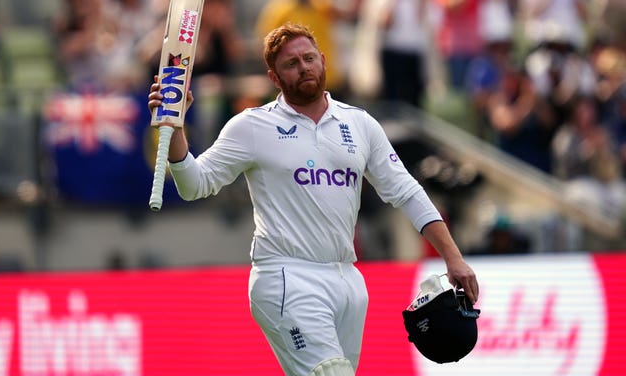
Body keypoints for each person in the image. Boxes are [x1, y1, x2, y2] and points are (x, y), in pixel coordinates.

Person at [147, 23, 479, 375]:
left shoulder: (360, 124)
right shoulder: (251, 127)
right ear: (274, 78)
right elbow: (195, 184)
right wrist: (176, 126)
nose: (303, 67)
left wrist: (452, 257)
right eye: (291, 64)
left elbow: (407, 192)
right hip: (286, 275)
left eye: (308, 59)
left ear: (323, 61)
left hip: (348, 280)